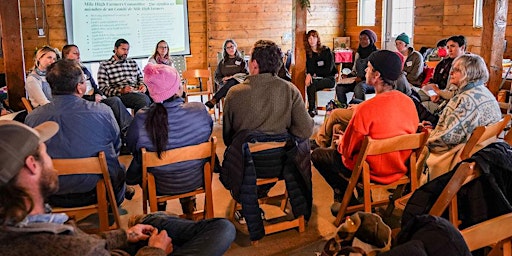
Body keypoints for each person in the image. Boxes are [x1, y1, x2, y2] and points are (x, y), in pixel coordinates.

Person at [0, 120, 236, 256]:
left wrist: (123, 235)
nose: (52, 158)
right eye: (45, 153)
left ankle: (154, 219)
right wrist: (156, 251)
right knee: (222, 229)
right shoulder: (60, 246)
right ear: (32, 165)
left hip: (120, 243)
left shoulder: (20, 226)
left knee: (158, 223)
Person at [311, 50, 419, 216]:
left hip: (371, 170)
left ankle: (347, 199)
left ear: (376, 75)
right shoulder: (408, 103)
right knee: (339, 132)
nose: (365, 71)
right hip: (400, 166)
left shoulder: (365, 109)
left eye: (368, 68)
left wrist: (341, 143)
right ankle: (353, 197)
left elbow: (348, 151)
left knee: (319, 155)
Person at [25, 59, 128, 207]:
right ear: (79, 87)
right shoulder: (102, 111)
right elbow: (116, 145)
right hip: (97, 189)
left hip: (50, 194)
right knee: (119, 168)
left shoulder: (33, 118)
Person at [126, 63, 213, 218]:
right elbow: (207, 133)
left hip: (159, 184)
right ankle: (189, 203)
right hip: (196, 178)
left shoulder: (141, 118)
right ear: (178, 88)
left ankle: (159, 208)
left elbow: (133, 148)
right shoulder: (199, 110)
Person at [223, 39, 313, 146]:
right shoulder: (290, 90)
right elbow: (305, 130)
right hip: (282, 158)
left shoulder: (234, 93)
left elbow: (227, 138)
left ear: (255, 64)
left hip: (244, 158)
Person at [426, 54, 501, 180]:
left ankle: (417, 193)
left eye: (457, 70)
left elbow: (446, 139)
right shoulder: (483, 91)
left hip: (457, 158)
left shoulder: (466, 99)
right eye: (452, 68)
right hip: (482, 153)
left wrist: (427, 138)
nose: (451, 73)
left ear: (470, 73)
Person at [61, 44, 133, 133]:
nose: (78, 56)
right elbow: (72, 95)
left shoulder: (83, 69)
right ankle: (126, 132)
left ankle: (128, 130)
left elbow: (95, 86)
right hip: (83, 102)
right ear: (66, 55)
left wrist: (98, 93)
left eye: (79, 53)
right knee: (112, 104)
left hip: (96, 98)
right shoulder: (65, 73)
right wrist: (92, 98)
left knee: (115, 101)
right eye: (75, 53)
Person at [97, 38, 151, 114]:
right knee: (143, 99)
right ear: (115, 49)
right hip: (120, 95)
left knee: (154, 93)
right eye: (123, 49)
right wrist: (121, 90)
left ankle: (158, 123)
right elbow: (103, 89)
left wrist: (143, 85)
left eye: (127, 50)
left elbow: (141, 79)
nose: (126, 52)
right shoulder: (105, 65)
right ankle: (139, 124)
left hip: (136, 91)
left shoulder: (132, 63)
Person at [420, 35, 467, 114]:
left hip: (447, 100)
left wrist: (438, 92)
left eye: (453, 46)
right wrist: (433, 93)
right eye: (448, 47)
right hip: (435, 92)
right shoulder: (443, 62)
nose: (450, 50)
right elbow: (432, 82)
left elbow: (453, 94)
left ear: (462, 48)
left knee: (420, 106)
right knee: (414, 96)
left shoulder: (465, 65)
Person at [336, 29, 378, 105]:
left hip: (371, 82)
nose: (362, 41)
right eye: (360, 39)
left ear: (371, 40)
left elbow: (376, 73)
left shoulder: (376, 54)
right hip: (358, 80)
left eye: (365, 39)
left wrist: (362, 78)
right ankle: (343, 109)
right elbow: (354, 70)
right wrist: (348, 76)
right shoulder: (358, 53)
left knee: (359, 87)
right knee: (340, 87)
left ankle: (359, 110)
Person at [205, 39, 248, 109]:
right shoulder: (222, 63)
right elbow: (216, 77)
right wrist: (222, 79)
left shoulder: (241, 61)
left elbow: (246, 75)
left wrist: (234, 77)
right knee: (231, 82)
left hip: (239, 85)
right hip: (225, 86)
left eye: (232, 46)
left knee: (233, 81)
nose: (230, 49)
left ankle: (215, 99)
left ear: (235, 47)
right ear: (225, 50)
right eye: (228, 48)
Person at [305, 30, 337, 117]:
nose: (311, 40)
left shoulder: (326, 51)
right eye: (309, 38)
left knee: (312, 84)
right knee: (311, 84)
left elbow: (328, 69)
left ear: (317, 39)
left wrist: (314, 74)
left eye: (314, 37)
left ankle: (312, 108)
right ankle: (312, 109)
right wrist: (309, 74)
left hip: (329, 78)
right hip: (315, 79)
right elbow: (309, 69)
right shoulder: (308, 54)